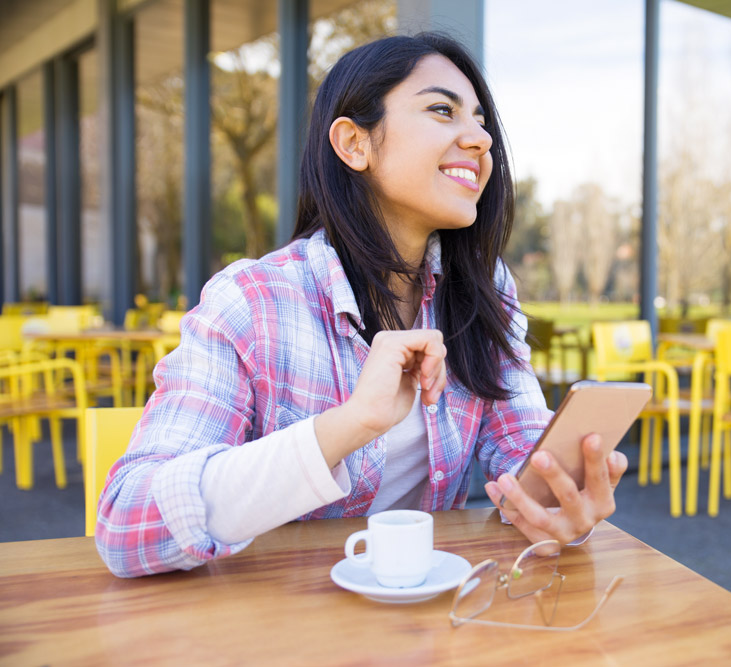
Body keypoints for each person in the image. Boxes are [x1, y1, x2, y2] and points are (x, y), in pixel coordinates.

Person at [96, 33, 627, 578]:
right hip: (274, 623)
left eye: (481, 122)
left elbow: (519, 445)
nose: (478, 139)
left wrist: (559, 501)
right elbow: (126, 525)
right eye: (442, 110)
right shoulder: (252, 302)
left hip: (428, 616)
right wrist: (352, 423)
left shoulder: (484, 288)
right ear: (354, 144)